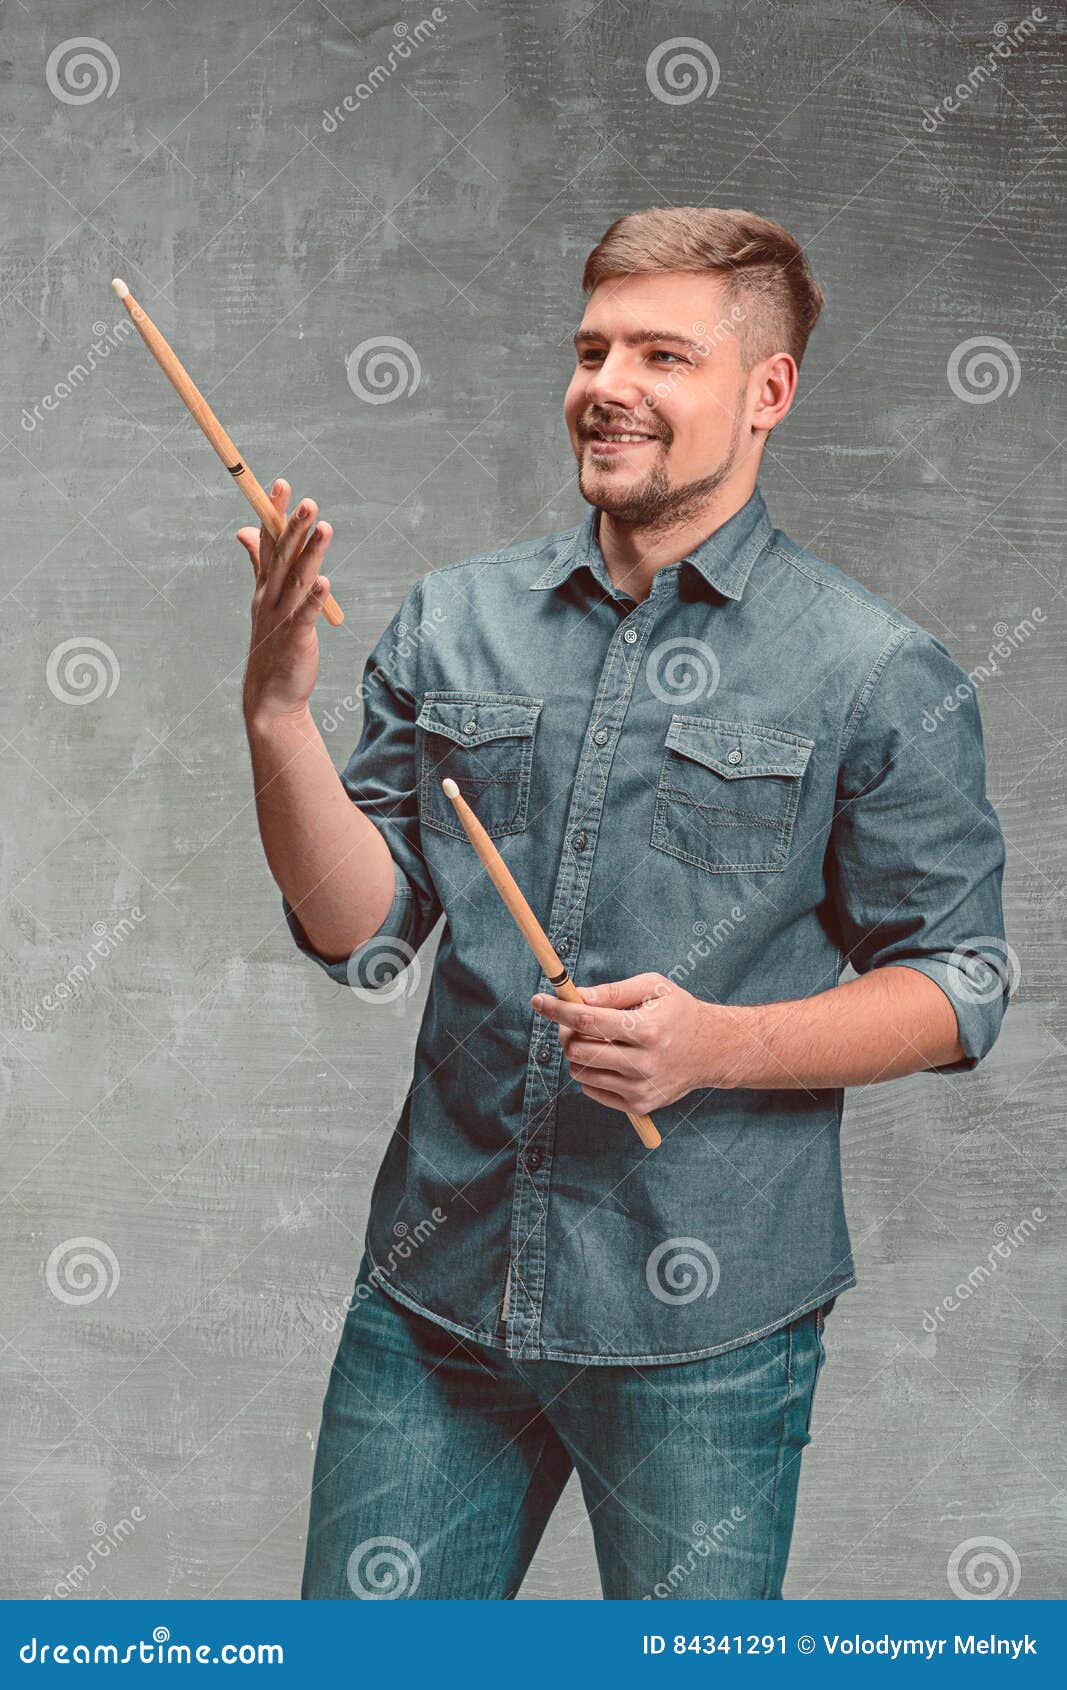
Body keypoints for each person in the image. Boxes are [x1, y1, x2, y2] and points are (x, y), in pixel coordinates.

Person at [237, 207, 1010, 1601]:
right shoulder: (448, 620)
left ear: (766, 391)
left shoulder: (874, 666)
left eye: (664, 353)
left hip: (710, 1326)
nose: (609, 384)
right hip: (439, 1297)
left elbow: (962, 985)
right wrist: (279, 716)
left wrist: (721, 1045)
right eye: (593, 347)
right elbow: (365, 932)